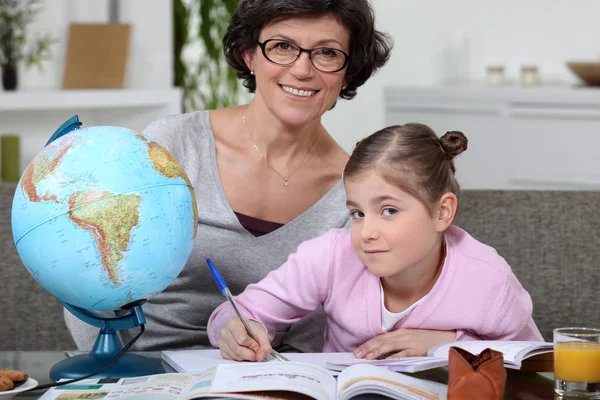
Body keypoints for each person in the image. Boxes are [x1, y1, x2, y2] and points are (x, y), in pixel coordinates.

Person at [64, 0, 392, 352]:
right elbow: (90, 270)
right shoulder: (172, 146)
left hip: (264, 377)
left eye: (326, 52)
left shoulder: (354, 191)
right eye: (282, 46)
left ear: (348, 70)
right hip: (136, 368)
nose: (301, 70)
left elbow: (318, 337)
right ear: (249, 56)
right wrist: (107, 374)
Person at [207, 124, 544, 362]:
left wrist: (447, 345)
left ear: (442, 212)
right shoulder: (332, 256)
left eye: (388, 210)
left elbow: (536, 362)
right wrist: (236, 329)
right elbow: (234, 312)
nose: (366, 231)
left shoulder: (487, 279)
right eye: (357, 213)